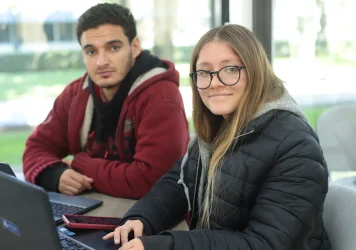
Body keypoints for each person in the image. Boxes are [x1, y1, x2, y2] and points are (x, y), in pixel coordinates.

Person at [103, 24, 331, 250]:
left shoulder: (295, 146)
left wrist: (166, 245)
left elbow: (265, 244)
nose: (214, 82)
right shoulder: (220, 126)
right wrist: (142, 218)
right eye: (204, 72)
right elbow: (179, 182)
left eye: (230, 69)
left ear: (255, 71)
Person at [22, 3, 189, 199]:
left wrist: (81, 164)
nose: (101, 62)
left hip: (150, 218)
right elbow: (35, 149)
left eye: (113, 48)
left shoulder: (162, 97)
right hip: (95, 207)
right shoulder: (77, 93)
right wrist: (55, 176)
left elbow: (151, 181)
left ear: (134, 47)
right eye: (91, 52)